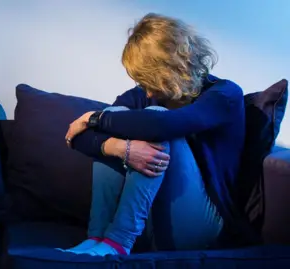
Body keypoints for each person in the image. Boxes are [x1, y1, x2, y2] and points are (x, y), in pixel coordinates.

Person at [62, 13, 245, 256]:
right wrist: (120, 148)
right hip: (151, 220)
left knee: (151, 116)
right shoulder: (148, 94)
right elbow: (80, 138)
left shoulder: (225, 95)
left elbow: (162, 125)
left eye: (151, 81)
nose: (147, 93)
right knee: (117, 114)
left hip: (205, 225)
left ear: (173, 68)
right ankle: (97, 238)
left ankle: (118, 243)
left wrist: (93, 117)